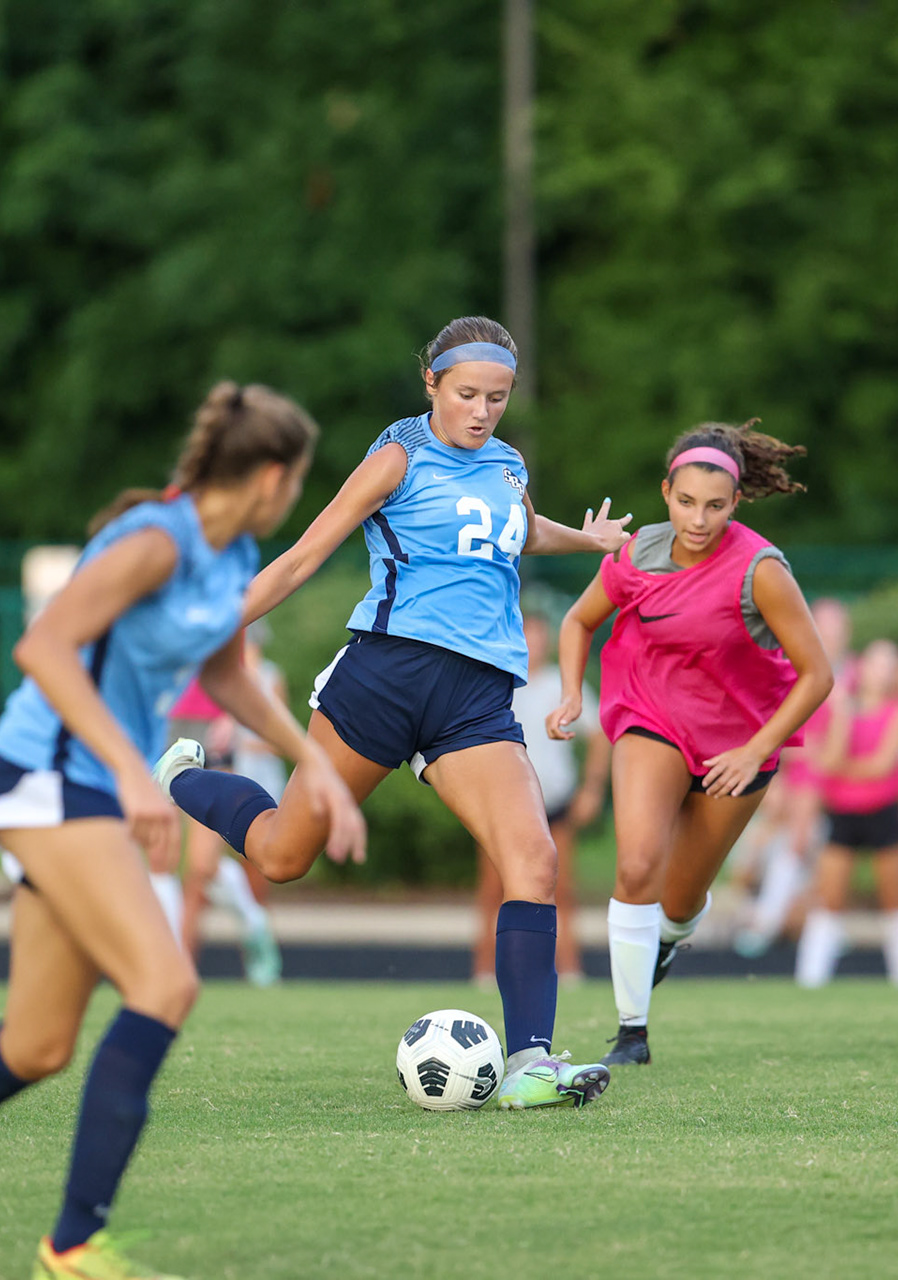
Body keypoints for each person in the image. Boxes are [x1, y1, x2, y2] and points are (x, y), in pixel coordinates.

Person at [0, 382, 364, 1280]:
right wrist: (132, 772)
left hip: (89, 786)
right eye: (298, 481)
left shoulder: (230, 550)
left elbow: (230, 675)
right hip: (46, 779)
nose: (293, 499)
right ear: (274, 476)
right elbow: (42, 650)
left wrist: (317, 769)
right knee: (164, 986)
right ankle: (73, 1243)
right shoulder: (156, 541)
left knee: (36, 1046)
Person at [162, 317, 631, 1110]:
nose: (483, 411)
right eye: (468, 395)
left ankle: (529, 1065)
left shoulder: (508, 465)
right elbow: (306, 556)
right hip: (383, 679)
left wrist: (585, 541)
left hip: (477, 698)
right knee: (282, 856)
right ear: (432, 386)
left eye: (499, 397)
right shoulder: (397, 458)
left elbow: (509, 534)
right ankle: (181, 779)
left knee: (536, 862)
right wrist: (217, 621)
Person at [547, 421, 833, 1066]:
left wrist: (757, 750)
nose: (697, 519)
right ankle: (631, 1034)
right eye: (685, 502)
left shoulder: (762, 569)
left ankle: (668, 941)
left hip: (739, 744)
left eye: (714, 505)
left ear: (736, 503)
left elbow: (819, 676)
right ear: (665, 493)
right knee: (637, 866)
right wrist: (571, 693)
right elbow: (578, 620)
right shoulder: (634, 555)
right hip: (652, 719)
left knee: (680, 902)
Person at [470, 605, 610, 988]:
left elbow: (599, 735)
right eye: (527, 634)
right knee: (494, 890)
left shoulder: (561, 685)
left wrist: (592, 788)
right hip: (503, 807)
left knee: (561, 889)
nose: (535, 642)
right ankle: (485, 972)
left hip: (555, 804)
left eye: (540, 635)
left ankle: (569, 971)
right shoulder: (498, 682)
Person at [795, 639, 898, 987]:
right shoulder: (841, 707)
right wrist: (843, 716)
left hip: (883, 811)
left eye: (889, 665)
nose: (882, 672)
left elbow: (880, 766)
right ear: (861, 667)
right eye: (876, 663)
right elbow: (829, 759)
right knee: (829, 898)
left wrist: (837, 766)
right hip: (842, 812)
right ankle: (810, 980)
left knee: (896, 898)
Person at [733, 597, 851, 957]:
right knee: (770, 841)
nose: (829, 637)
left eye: (835, 630)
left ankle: (769, 918)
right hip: (793, 776)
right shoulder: (794, 667)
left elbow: (836, 749)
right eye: (824, 629)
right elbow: (778, 731)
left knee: (798, 837)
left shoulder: (850, 677)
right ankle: (770, 914)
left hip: (830, 779)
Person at [168, 678, 283, 986]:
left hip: (209, 729)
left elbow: (233, 663)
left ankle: (251, 923)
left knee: (200, 868)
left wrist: (229, 715)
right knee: (166, 863)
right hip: (160, 718)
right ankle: (174, 976)